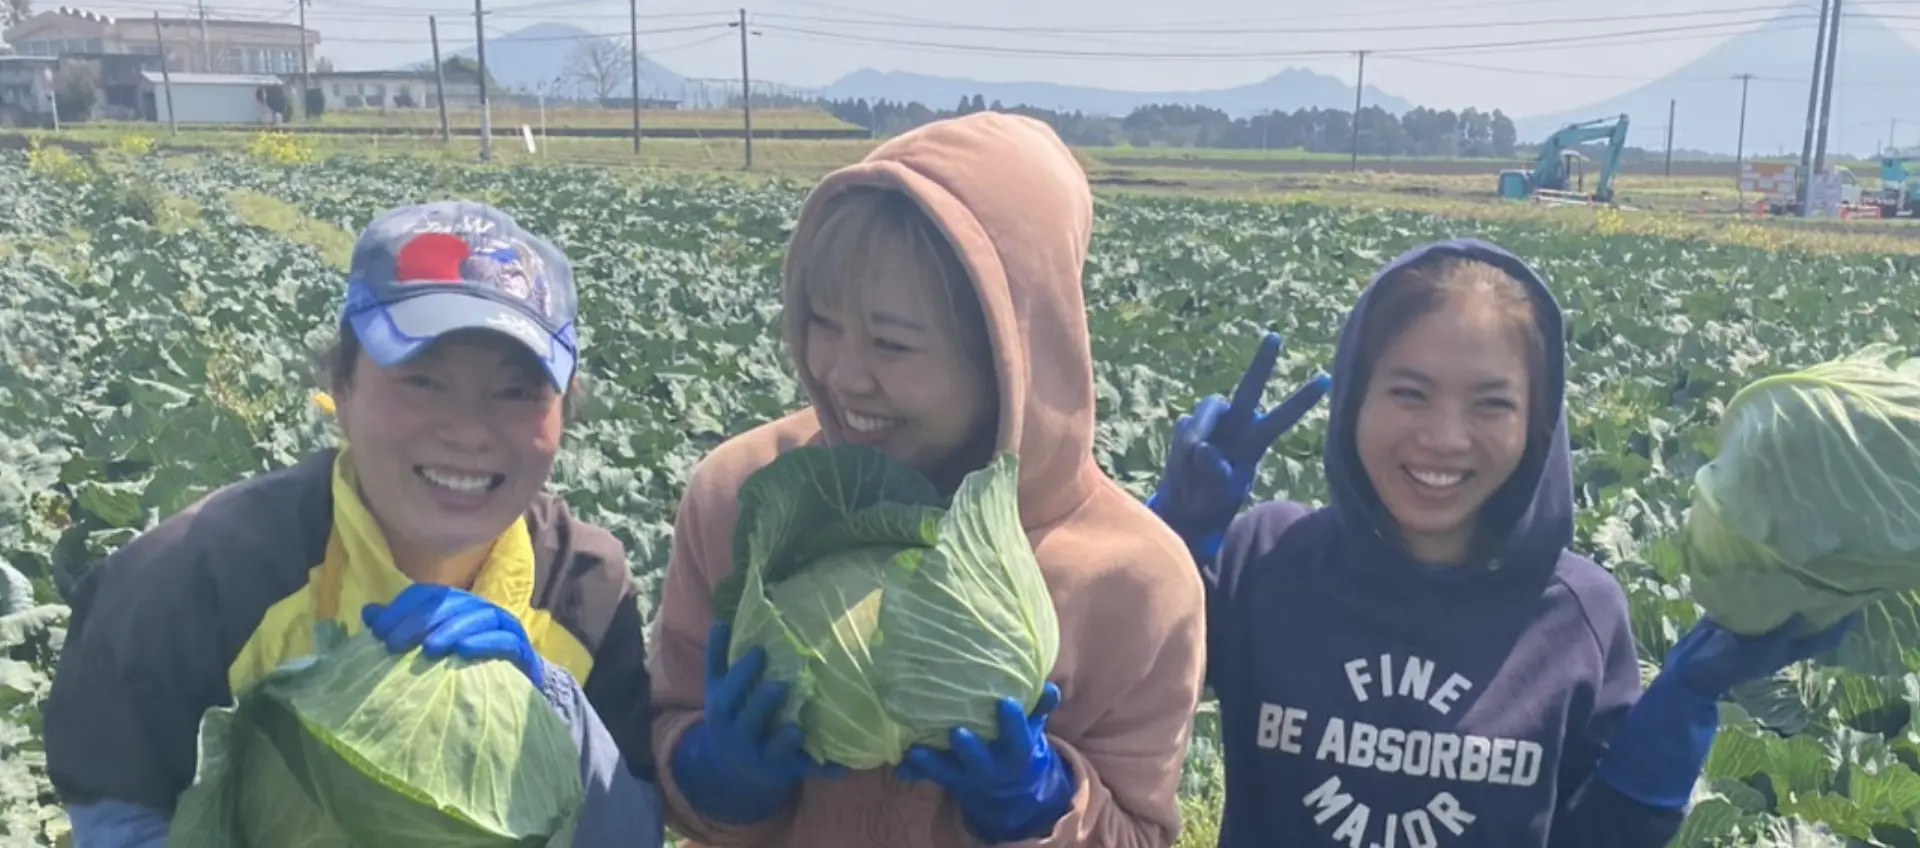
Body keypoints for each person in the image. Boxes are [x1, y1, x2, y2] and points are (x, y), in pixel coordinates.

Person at [1146, 238, 1858, 847]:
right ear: (1354, 399)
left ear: (1538, 424)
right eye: (1409, 393)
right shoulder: (1263, 562)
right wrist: (1168, 537)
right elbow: (1116, 685)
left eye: (1492, 403)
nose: (1443, 438)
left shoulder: (1581, 614)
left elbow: (1599, 836)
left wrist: (1683, 707)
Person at [645, 110, 1207, 847]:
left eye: (892, 343)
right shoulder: (739, 492)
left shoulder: (1136, 582)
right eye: (821, 321)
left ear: (1010, 354)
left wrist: (1038, 806)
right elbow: (664, 730)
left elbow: (1142, 834)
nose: (843, 373)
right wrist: (714, 771)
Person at [44, 201, 664, 847]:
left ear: (564, 414)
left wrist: (557, 709)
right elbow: (117, 809)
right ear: (341, 390)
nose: (470, 432)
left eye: (516, 393)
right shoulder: (197, 578)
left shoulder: (585, 589)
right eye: (424, 382)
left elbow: (628, 833)